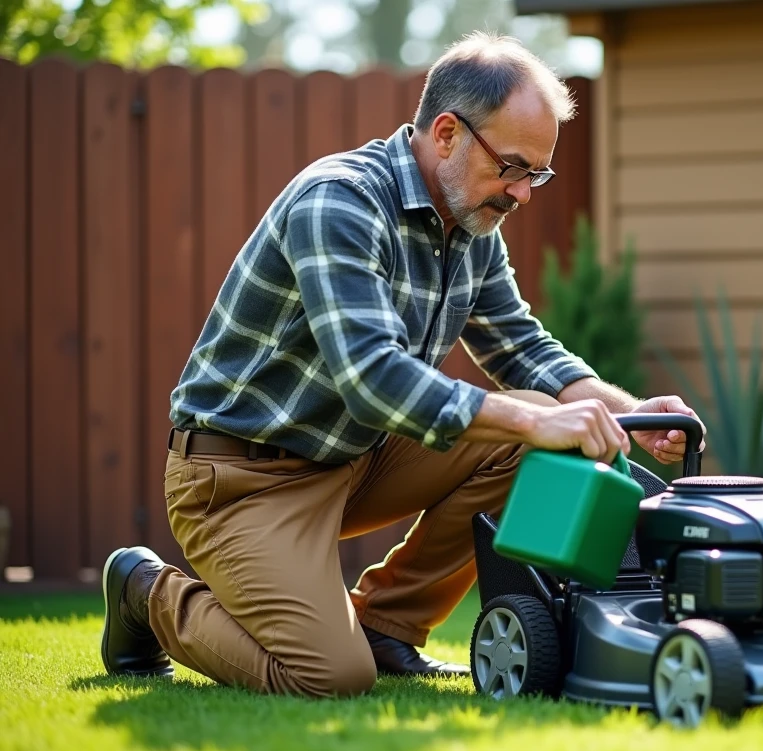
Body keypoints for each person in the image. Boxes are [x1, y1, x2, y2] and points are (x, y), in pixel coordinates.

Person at [98, 32, 704, 698]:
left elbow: (524, 349)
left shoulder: (472, 225)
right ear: (446, 133)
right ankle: (143, 590)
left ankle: (389, 625)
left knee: (535, 425)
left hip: (349, 462)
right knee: (328, 674)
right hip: (239, 477)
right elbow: (370, 377)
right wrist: (538, 423)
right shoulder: (340, 201)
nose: (524, 193)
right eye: (513, 167)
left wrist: (630, 414)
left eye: (537, 173)